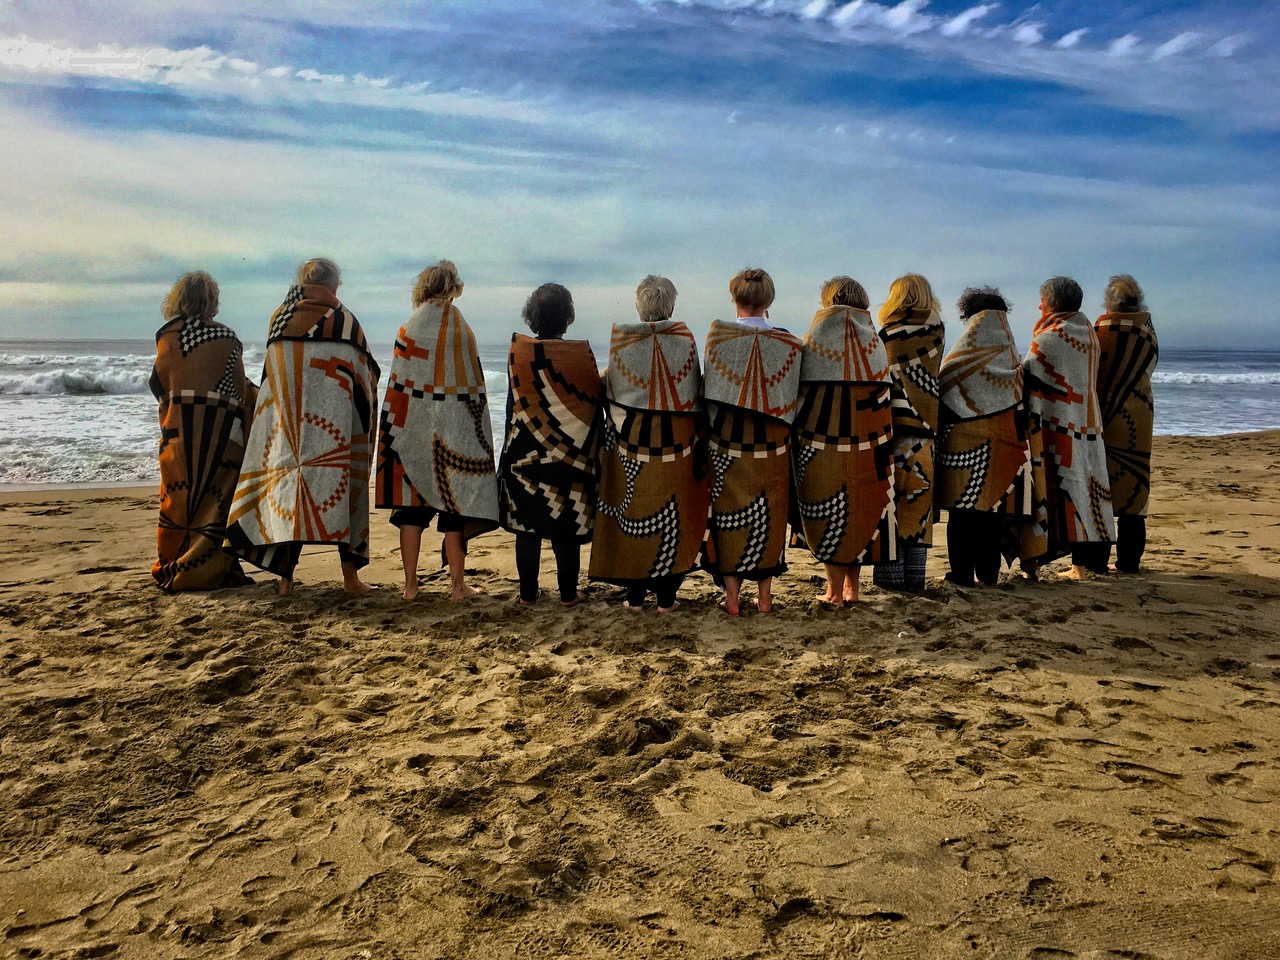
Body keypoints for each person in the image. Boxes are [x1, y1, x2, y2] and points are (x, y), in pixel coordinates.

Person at [224, 258, 381, 595]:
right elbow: (365, 378)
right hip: (335, 430)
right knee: (344, 497)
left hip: (287, 429)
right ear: (335, 286)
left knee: (289, 497)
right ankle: (351, 580)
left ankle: (285, 580)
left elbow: (271, 378)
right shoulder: (346, 322)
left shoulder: (281, 319)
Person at [375, 260, 499, 601]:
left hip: (409, 430)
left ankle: (410, 585)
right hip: (453, 432)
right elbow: (473, 386)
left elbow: (398, 385)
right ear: (453, 287)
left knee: (410, 511)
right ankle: (458, 586)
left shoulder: (408, 328)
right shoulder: (461, 329)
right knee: (454, 509)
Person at [589, 275, 708, 613]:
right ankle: (667, 599)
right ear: (671, 307)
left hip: (633, 447)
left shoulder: (623, 340)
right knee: (676, 517)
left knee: (633, 517)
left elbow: (613, 389)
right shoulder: (684, 339)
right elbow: (692, 391)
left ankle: (635, 597)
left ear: (638, 308)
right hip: (675, 446)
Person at [702, 268, 803, 615]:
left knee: (728, 518)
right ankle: (764, 597)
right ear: (769, 301)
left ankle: (731, 597)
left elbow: (708, 395)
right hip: (771, 447)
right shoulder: (787, 341)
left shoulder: (718, 338)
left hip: (727, 445)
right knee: (769, 519)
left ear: (735, 299)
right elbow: (795, 396)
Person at [149, 271, 257, 591]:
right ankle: (210, 570)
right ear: (212, 301)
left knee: (177, 497)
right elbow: (237, 391)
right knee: (216, 501)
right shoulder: (226, 338)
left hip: (177, 434)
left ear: (178, 299)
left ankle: (172, 567)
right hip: (221, 437)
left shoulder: (166, 336)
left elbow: (158, 384)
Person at [791, 276, 895, 605]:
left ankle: (833, 590)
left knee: (827, 515)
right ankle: (852, 589)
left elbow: (799, 391)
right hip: (869, 441)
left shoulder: (814, 338)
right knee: (860, 510)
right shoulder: (874, 343)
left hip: (822, 441)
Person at [498, 283, 603, 607]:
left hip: (523, 456)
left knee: (526, 530)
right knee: (565, 529)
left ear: (533, 316)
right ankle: (568, 596)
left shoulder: (519, 352)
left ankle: (528, 596)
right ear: (567, 318)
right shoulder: (580, 354)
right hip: (569, 459)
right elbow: (591, 406)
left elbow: (512, 407)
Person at [935, 287, 1048, 587]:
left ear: (970, 317)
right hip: (1005, 448)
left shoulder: (963, 355)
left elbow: (944, 388)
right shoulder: (1012, 357)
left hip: (965, 448)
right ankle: (989, 575)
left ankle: (961, 575)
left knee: (962, 517)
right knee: (991, 517)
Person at [1022, 276, 1115, 579]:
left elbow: (1028, 376)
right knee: (1085, 495)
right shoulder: (1089, 334)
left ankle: (1049, 563)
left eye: (1042, 300)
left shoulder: (1049, 338)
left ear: (1052, 304)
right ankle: (1083, 566)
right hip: (1088, 423)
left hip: (1055, 426)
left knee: (1055, 493)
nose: (1039, 306)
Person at [873, 273, 945, 591]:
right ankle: (915, 579)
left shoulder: (886, 335)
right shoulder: (937, 332)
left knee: (891, 506)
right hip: (926, 430)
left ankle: (890, 580)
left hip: (891, 428)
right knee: (918, 507)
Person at [1094, 275, 1158, 574]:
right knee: (1134, 490)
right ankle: (1130, 562)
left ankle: (1097, 561)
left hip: (1104, 414)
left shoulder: (1101, 330)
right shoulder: (1148, 331)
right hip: (1139, 413)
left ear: (1109, 302)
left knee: (1102, 488)